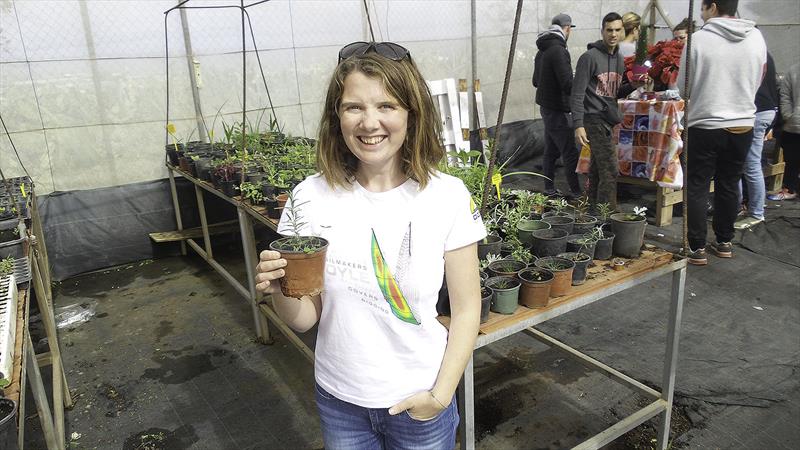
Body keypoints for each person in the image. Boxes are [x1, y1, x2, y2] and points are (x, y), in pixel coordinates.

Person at [254, 42, 486, 449]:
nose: (370, 122)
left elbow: (467, 309)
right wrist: (280, 290)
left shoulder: (446, 196)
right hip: (341, 403)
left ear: (411, 114)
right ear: (337, 116)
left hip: (419, 403)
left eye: (386, 106)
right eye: (354, 107)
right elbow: (305, 318)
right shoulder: (309, 197)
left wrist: (440, 396)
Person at [677, 0, 767, 265]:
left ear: (712, 7)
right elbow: (759, 79)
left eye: (703, 8)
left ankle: (696, 247)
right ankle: (724, 241)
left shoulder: (699, 40)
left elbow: (684, 88)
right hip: (742, 124)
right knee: (729, 181)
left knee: (697, 184)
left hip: (705, 123)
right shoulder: (756, 37)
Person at [572, 12, 625, 210]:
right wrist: (578, 125)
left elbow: (613, 91)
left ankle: (591, 213)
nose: (613, 34)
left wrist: (635, 83)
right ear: (602, 31)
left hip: (608, 120)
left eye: (617, 30)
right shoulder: (589, 58)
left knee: (597, 170)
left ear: (622, 31)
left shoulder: (619, 59)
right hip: (593, 119)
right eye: (609, 30)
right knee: (611, 171)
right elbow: (577, 94)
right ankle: (606, 218)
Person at [533, 13, 582, 198]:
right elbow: (568, 85)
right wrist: (579, 78)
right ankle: (576, 192)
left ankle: (549, 188)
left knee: (551, 151)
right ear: (567, 28)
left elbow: (535, 81)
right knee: (570, 151)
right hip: (559, 109)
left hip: (546, 108)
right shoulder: (559, 50)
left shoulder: (542, 50)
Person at [735, 51, 778, 229]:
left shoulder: (747, 53)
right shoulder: (765, 53)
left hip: (754, 111)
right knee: (741, 163)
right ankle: (739, 207)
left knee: (747, 164)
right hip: (764, 110)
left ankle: (755, 212)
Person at [768, 62, 800, 201]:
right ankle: (789, 188)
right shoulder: (793, 70)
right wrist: (788, 115)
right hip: (794, 125)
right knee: (791, 158)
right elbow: (785, 95)